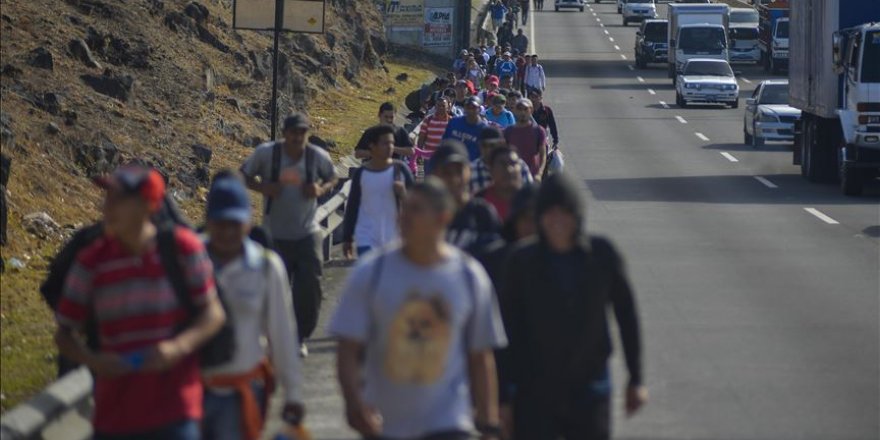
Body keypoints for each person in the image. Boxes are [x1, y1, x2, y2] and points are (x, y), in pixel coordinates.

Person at [55, 164, 226, 440]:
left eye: (117, 199)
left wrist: (177, 347)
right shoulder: (91, 261)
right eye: (106, 197)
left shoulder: (183, 249)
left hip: (176, 412)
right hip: (114, 417)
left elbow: (213, 313)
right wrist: (94, 361)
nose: (106, 207)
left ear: (148, 205)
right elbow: (64, 333)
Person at [329, 177, 508, 440]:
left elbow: (480, 356)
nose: (404, 217)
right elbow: (348, 348)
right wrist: (353, 402)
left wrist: (488, 421)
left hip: (449, 424)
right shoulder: (372, 272)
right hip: (386, 426)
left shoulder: (468, 276)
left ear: (442, 218)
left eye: (416, 209)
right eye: (405, 208)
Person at [500, 173, 647, 439]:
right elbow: (507, 330)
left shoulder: (601, 255)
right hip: (535, 390)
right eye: (549, 213)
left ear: (577, 215)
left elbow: (627, 315)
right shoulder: (521, 262)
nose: (557, 221)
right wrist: (503, 398)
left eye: (565, 212)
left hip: (590, 388)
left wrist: (635, 378)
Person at [200, 173, 305, 440]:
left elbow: (282, 332)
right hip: (189, 393)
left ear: (248, 222)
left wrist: (293, 393)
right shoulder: (188, 262)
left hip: (241, 391)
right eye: (220, 222)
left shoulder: (266, 266)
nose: (227, 231)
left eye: (235, 222)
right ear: (208, 221)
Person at [241, 113, 338, 357]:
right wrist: (263, 187)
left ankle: (299, 337)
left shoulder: (316, 156)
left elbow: (333, 177)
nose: (297, 138)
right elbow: (242, 174)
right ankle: (274, 338)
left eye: (302, 133)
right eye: (293, 132)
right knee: (275, 289)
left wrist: (320, 189)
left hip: (307, 231)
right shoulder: (267, 154)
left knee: (309, 286)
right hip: (275, 234)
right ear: (284, 133)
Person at [343, 125, 414, 259]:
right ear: (372, 146)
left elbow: (417, 204)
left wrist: (403, 193)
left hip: (394, 237)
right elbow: (353, 205)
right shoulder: (361, 173)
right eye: (385, 143)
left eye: (392, 143)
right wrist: (347, 237)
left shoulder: (400, 170)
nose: (390, 147)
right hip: (366, 237)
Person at [430, 140, 501, 255]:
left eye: (459, 171)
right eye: (447, 173)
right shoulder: (427, 215)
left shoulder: (482, 213)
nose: (454, 179)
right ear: (435, 175)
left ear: (469, 171)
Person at [470, 127, 533, 195]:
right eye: (484, 146)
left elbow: (530, 194)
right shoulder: (471, 169)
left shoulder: (518, 166)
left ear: (502, 144)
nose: (488, 150)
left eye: (492, 145)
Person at [476, 147, 524, 221]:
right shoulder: (478, 202)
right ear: (491, 170)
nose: (509, 170)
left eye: (513, 163)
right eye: (503, 164)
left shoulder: (533, 201)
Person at [504, 98, 547, 179]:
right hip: (513, 177)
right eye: (519, 109)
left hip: (532, 176)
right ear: (515, 111)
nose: (522, 112)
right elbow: (503, 154)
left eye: (526, 109)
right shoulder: (508, 131)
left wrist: (540, 173)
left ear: (531, 110)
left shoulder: (538, 131)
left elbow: (543, 155)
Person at [442, 96, 490, 162]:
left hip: (472, 167)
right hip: (451, 164)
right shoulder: (454, 122)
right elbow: (444, 142)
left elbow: (485, 154)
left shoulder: (484, 129)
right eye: (468, 107)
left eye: (473, 107)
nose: (470, 109)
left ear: (479, 109)